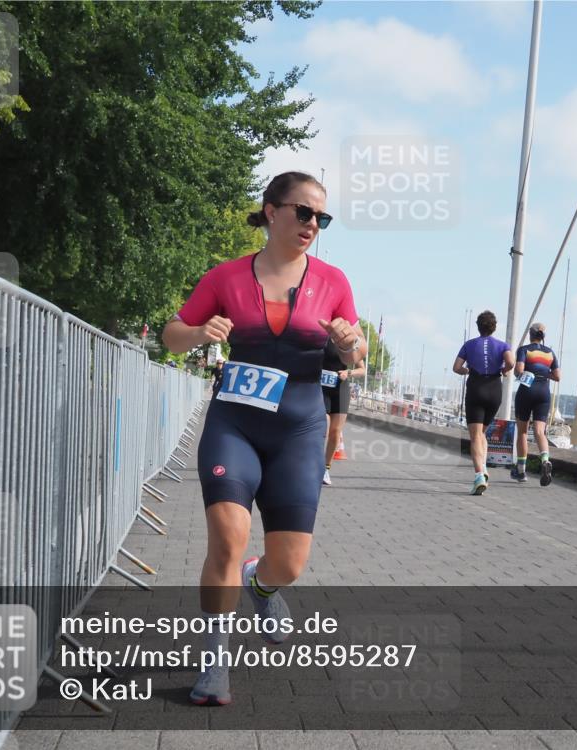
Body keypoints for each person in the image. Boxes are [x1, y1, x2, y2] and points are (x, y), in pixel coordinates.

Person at [162, 171, 365, 706]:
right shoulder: (225, 277)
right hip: (235, 424)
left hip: (299, 429)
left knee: (290, 563)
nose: (312, 225)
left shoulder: (334, 280)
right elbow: (171, 335)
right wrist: (200, 332)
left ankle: (262, 583)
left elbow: (356, 353)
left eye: (321, 218)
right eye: (303, 213)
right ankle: (214, 660)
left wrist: (349, 343)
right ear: (271, 211)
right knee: (227, 539)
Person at [452, 310, 515, 495]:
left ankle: (479, 475)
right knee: (482, 434)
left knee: (475, 436)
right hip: (494, 389)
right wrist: (504, 370)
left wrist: (467, 371)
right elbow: (511, 363)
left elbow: (456, 367)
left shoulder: (469, 344)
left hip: (476, 388)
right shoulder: (503, 345)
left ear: (478, 326)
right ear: (494, 327)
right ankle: (485, 469)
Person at [512, 322, 561, 486]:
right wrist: (543, 372)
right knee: (540, 431)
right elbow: (557, 376)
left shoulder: (524, 350)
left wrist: (524, 372)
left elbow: (519, 370)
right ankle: (545, 460)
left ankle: (521, 471)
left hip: (527, 391)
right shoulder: (550, 353)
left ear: (530, 334)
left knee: (523, 432)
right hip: (544, 392)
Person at [321, 338, 366, 486]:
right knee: (323, 427)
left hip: (340, 387)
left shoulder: (349, 342)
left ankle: (325, 468)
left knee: (336, 431)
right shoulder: (322, 336)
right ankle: (311, 464)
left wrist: (349, 372)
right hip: (320, 387)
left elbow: (362, 370)